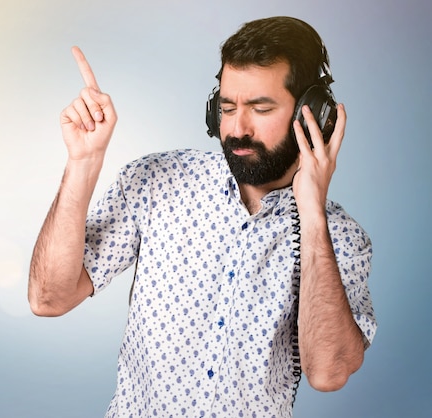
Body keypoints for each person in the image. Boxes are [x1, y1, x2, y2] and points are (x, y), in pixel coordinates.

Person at [28, 16, 376, 418]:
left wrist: (312, 211)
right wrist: (83, 162)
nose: (237, 128)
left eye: (261, 108)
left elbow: (328, 373)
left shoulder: (342, 239)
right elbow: (48, 298)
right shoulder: (157, 181)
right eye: (227, 108)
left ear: (310, 114)